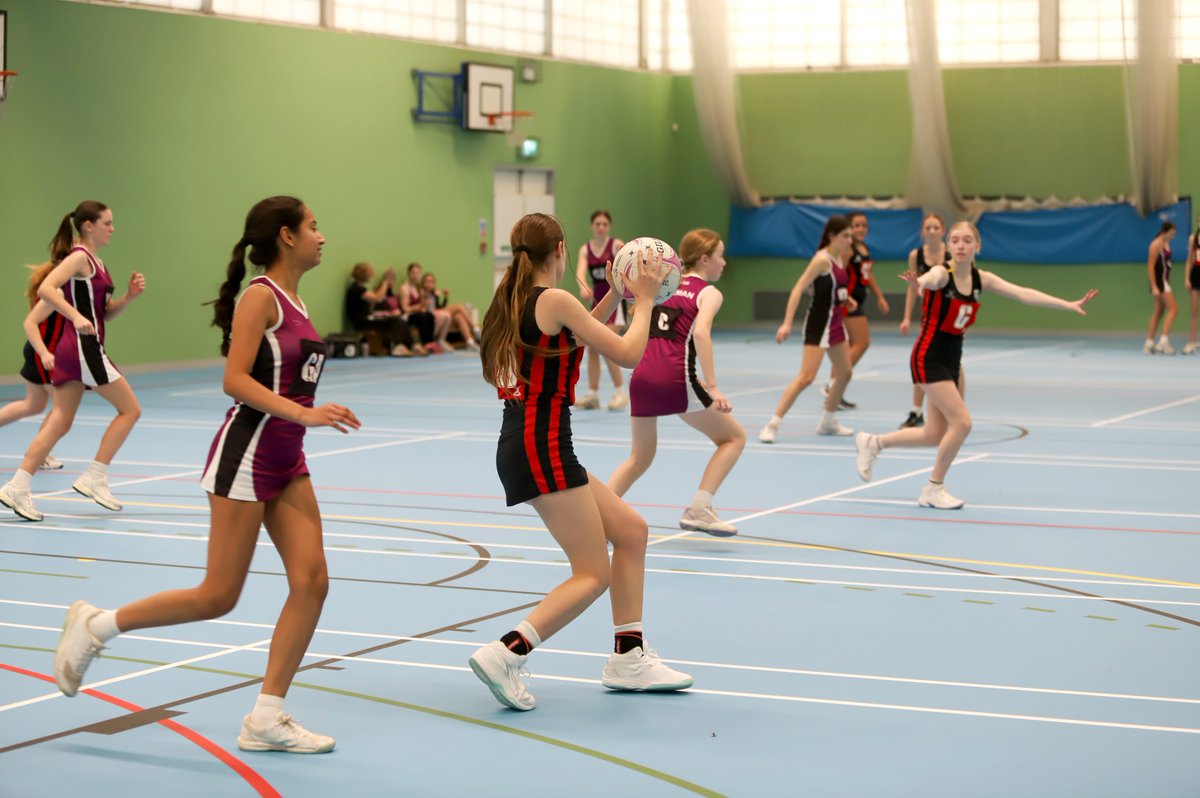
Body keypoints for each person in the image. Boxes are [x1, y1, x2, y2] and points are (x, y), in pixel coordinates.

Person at [52, 195, 359, 754]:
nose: (323, 235)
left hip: (287, 457)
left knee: (312, 581)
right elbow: (236, 380)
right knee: (218, 595)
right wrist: (304, 413)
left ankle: (266, 717)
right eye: (314, 226)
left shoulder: (297, 300)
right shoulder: (259, 298)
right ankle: (97, 626)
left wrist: (303, 416)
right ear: (286, 236)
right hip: (247, 454)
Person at [469, 212, 692, 711]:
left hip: (536, 441)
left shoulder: (527, 301)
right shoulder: (554, 300)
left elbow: (584, 327)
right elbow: (630, 354)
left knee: (631, 531)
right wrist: (646, 299)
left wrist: (616, 291)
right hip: (540, 444)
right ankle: (506, 652)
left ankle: (628, 656)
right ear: (562, 249)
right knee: (592, 572)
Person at [854, 221, 1098, 509]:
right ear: (948, 246)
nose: (960, 245)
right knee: (963, 422)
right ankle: (933, 488)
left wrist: (1066, 304)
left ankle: (873, 443)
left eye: (967, 240)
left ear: (977, 246)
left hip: (952, 360)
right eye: (954, 240)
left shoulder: (982, 279)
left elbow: (1023, 293)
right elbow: (930, 278)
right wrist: (918, 283)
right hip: (927, 357)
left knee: (934, 433)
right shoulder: (942, 275)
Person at [0, 201, 145, 522]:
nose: (113, 228)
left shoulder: (97, 262)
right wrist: (75, 316)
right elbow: (48, 289)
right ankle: (95, 475)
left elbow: (104, 314)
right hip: (82, 348)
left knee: (60, 421)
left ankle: (17, 486)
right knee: (131, 410)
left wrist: (129, 297)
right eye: (107, 222)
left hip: (78, 347)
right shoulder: (79, 257)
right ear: (89, 226)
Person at [607, 228, 746, 536]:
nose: (724, 264)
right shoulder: (708, 293)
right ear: (706, 259)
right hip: (673, 378)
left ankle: (597, 515)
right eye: (721, 257)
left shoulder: (660, 286)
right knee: (734, 438)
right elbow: (700, 333)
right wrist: (712, 386)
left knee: (639, 457)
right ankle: (699, 508)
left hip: (641, 376)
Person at [759, 215, 858, 443]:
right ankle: (772, 424)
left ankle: (828, 421)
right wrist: (786, 322)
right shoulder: (821, 260)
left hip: (835, 323)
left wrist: (846, 299)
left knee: (845, 372)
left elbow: (831, 290)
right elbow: (798, 289)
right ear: (832, 236)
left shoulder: (840, 258)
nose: (850, 240)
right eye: (845, 236)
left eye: (851, 236)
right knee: (806, 378)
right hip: (818, 323)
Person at [0, 263, 66, 471]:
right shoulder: (56, 293)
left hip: (39, 351)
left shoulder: (55, 291)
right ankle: (40, 454)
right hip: (43, 354)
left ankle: (40, 453)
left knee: (33, 405)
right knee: (62, 408)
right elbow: (30, 323)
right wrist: (45, 353)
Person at [826, 212, 890, 410]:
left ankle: (836, 391)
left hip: (857, 302)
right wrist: (844, 297)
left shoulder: (863, 248)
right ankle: (834, 384)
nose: (861, 229)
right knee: (862, 343)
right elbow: (838, 272)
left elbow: (868, 275)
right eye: (856, 225)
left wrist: (879, 296)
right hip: (848, 304)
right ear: (849, 229)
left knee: (847, 348)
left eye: (864, 225)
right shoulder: (847, 249)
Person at [573, 210, 628, 411]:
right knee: (592, 347)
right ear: (592, 226)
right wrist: (583, 286)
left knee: (606, 345)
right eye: (598, 223)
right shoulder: (585, 249)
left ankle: (620, 391)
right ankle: (593, 394)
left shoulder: (616, 245)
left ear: (609, 226)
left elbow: (627, 267)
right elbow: (580, 271)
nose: (601, 227)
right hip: (597, 300)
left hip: (614, 298)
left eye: (605, 223)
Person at [898, 213, 948, 428]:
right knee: (922, 360)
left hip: (949, 313)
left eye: (936, 227)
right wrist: (907, 317)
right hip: (929, 315)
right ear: (922, 232)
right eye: (928, 227)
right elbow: (913, 288)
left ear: (943, 231)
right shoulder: (916, 255)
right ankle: (916, 411)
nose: (932, 231)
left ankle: (954, 408)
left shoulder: (953, 253)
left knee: (953, 363)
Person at [344, 262, 422, 356]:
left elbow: (372, 305)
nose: (372, 275)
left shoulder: (362, 288)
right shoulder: (356, 289)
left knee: (399, 318)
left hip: (368, 318)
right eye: (370, 273)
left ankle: (410, 345)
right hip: (361, 322)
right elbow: (378, 298)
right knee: (394, 320)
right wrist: (386, 281)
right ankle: (397, 346)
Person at [421, 271, 479, 351]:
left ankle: (470, 341)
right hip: (431, 315)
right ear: (423, 283)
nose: (429, 284)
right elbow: (426, 309)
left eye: (432, 282)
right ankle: (474, 327)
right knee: (458, 306)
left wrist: (445, 297)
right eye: (427, 281)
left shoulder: (434, 293)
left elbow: (440, 307)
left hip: (439, 313)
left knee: (459, 316)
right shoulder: (422, 292)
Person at [1144, 221, 1178, 355]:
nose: (1173, 236)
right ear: (1164, 231)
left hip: (1164, 280)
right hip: (1160, 282)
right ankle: (1163, 343)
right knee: (1174, 309)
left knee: (1158, 312)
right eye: (1171, 234)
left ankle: (1149, 343)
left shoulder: (1165, 243)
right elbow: (1150, 266)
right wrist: (1154, 286)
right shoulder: (1156, 244)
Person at [400, 262, 440, 353]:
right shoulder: (404, 288)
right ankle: (425, 343)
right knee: (422, 317)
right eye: (413, 273)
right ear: (409, 274)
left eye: (417, 273)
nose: (415, 276)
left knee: (429, 315)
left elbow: (423, 306)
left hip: (418, 314)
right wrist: (419, 306)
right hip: (408, 316)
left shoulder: (419, 289)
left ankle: (431, 342)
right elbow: (405, 308)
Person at [1183, 216, 1199, 355]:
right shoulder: (1192, 239)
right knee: (1194, 311)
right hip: (1195, 275)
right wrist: (1186, 278)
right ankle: (1192, 341)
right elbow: (1189, 260)